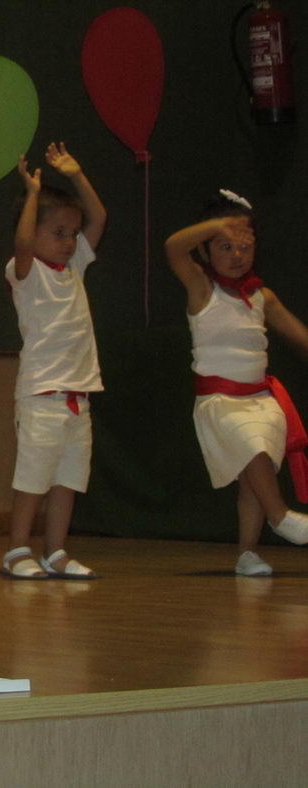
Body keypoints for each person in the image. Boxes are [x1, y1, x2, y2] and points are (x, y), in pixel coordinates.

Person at [165, 190, 308, 575]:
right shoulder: (201, 289)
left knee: (253, 480)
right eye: (225, 246)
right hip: (220, 402)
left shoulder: (262, 296)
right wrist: (216, 223)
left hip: (262, 399)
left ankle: (247, 553)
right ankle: (282, 518)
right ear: (205, 251)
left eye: (244, 246)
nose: (237, 255)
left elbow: (299, 336)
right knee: (254, 451)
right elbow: (173, 247)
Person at [0, 143, 106, 581]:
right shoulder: (25, 272)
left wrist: (78, 176)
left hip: (78, 395)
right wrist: (32, 193)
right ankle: (16, 550)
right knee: (33, 477)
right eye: (57, 233)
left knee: (68, 480)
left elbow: (98, 219)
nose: (68, 242)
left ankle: (56, 551)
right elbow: (23, 240)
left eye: (71, 234)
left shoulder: (75, 266)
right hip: (42, 394)